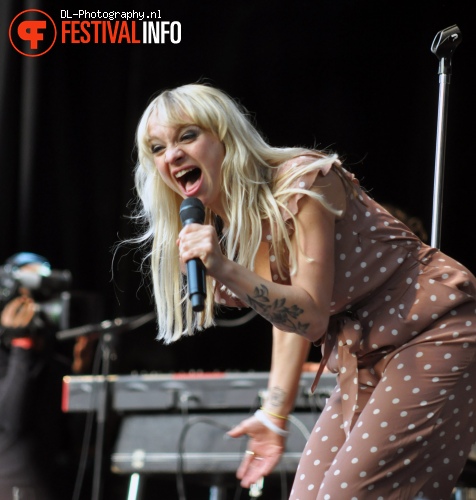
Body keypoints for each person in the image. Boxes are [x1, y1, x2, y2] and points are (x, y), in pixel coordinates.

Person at [130, 83, 476, 499]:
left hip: (432, 330)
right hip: (364, 354)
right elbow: (286, 313)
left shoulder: (303, 181)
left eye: (188, 136)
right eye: (157, 148)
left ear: (226, 136)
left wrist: (223, 268)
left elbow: (310, 317)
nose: (172, 155)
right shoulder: (243, 229)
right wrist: (274, 415)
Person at [0, 252, 74, 500]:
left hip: (51, 486)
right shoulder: (8, 356)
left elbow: (72, 437)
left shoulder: (53, 360)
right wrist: (22, 346)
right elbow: (11, 421)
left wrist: (80, 371)